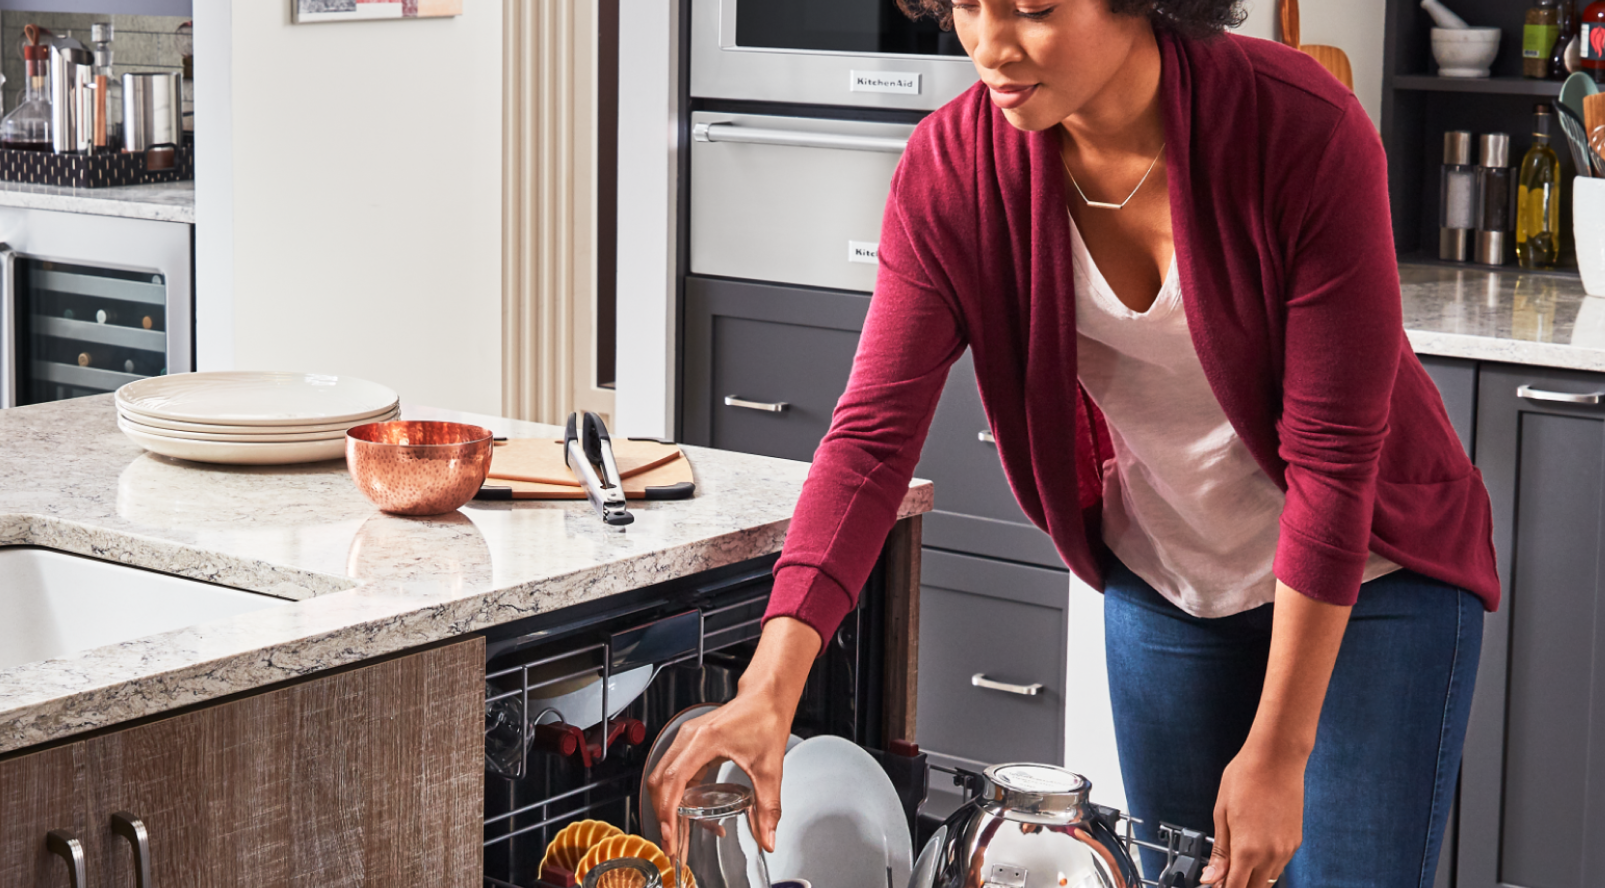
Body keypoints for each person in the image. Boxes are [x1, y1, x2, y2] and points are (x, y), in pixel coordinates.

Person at [642, 1, 1501, 885]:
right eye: (966, 6)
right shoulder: (954, 171)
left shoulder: (1301, 128)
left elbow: (1332, 460)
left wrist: (1280, 749)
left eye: (1032, 9)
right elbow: (870, 441)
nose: (989, 46)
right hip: (1172, 582)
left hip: (1371, 580)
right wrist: (771, 686)